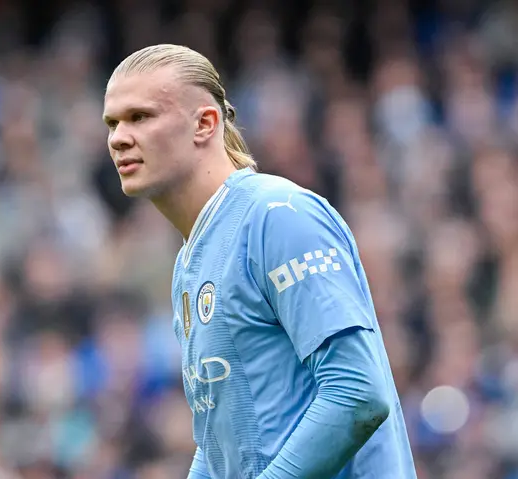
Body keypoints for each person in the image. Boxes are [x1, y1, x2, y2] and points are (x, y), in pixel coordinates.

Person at [102, 44, 417, 479]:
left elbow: (358, 393)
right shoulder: (190, 262)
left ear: (205, 124)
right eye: (112, 122)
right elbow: (220, 446)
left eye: (140, 117)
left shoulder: (280, 216)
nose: (118, 136)